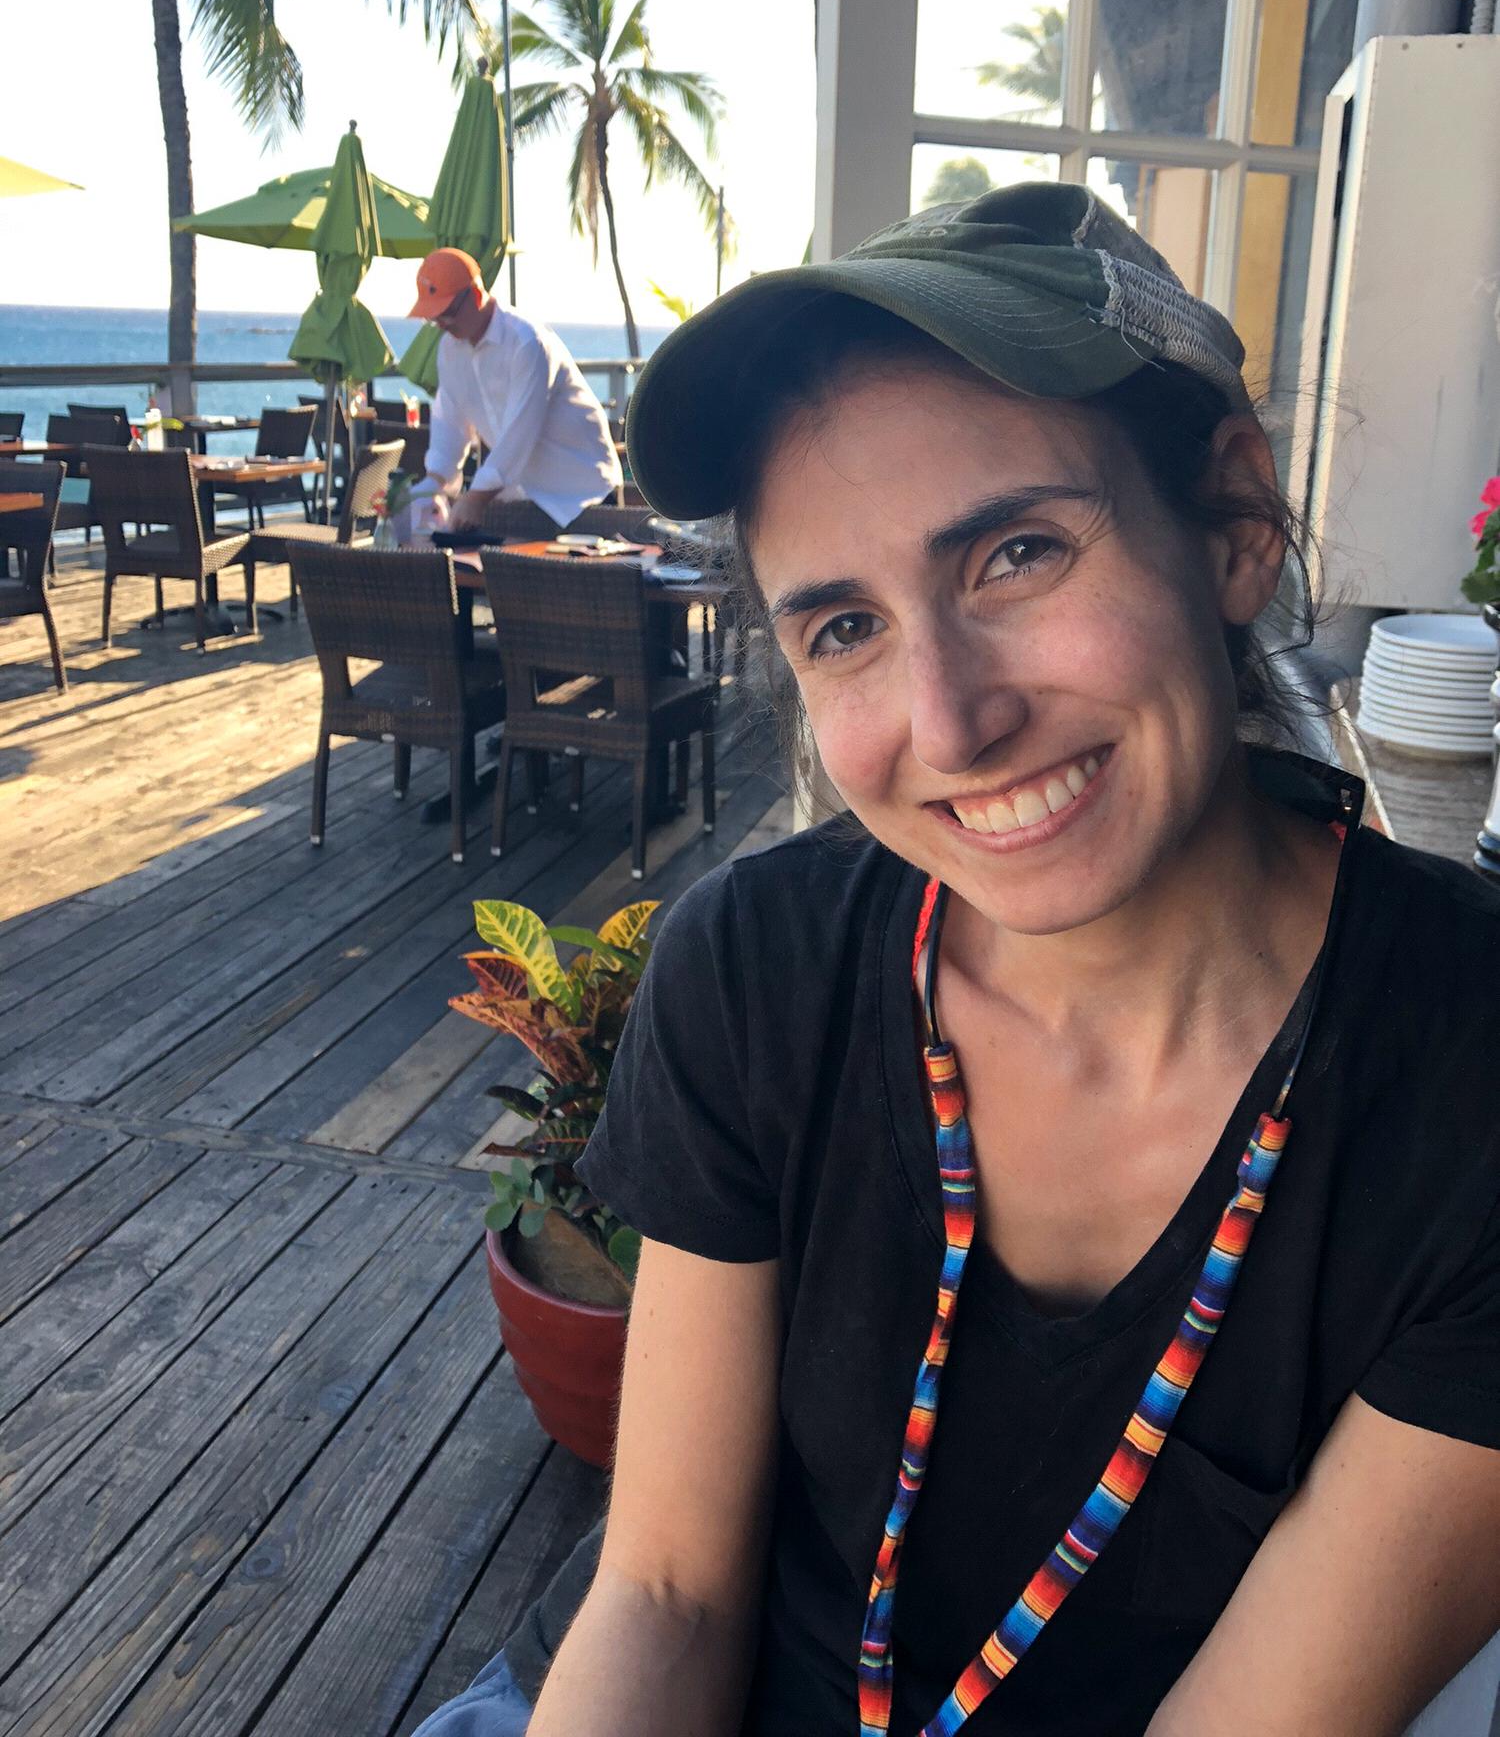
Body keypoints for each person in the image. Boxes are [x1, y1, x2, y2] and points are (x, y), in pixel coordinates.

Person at [414, 183, 1500, 1737]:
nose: (953, 720)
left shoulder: (1465, 1079)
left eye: (1017, 554)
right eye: (843, 628)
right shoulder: (760, 969)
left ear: (1237, 525)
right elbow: (664, 1592)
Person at [409, 247, 623, 535]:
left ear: (474, 295)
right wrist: (433, 481)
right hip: (525, 497)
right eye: (434, 317)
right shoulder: (449, 350)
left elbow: (519, 431)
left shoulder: (527, 341)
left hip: (583, 495)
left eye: (447, 313)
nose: (442, 324)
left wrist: (476, 497)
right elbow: (450, 420)